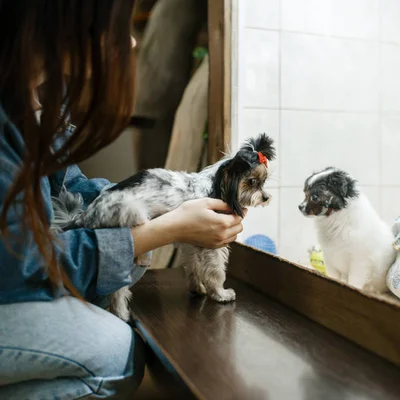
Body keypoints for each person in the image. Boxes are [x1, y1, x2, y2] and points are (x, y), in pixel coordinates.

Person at [0, 2, 245, 398]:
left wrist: (147, 198)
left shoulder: (42, 94)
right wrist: (163, 231)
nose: (131, 41)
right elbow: (18, 265)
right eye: (116, 26)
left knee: (123, 277)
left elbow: (68, 182)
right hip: (9, 278)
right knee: (121, 354)